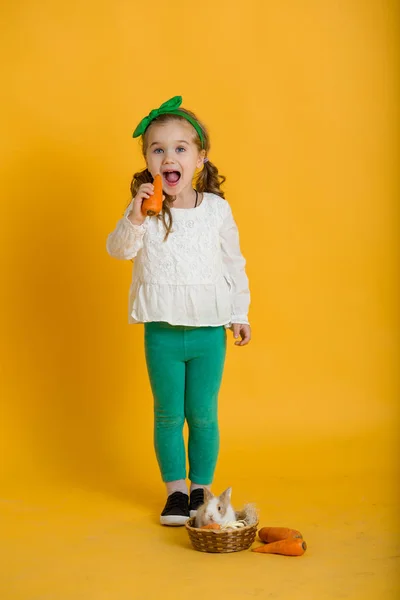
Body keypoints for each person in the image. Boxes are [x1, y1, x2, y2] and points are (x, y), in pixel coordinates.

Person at [106, 96, 251, 526]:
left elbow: (233, 262)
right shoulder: (145, 211)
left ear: (201, 158)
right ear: (148, 160)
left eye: (180, 149)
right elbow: (118, 250)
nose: (169, 157)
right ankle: (175, 493)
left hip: (208, 329)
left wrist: (239, 312)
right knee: (168, 413)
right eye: (158, 149)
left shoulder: (217, 211)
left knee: (202, 412)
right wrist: (134, 216)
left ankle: (201, 489)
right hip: (162, 330)